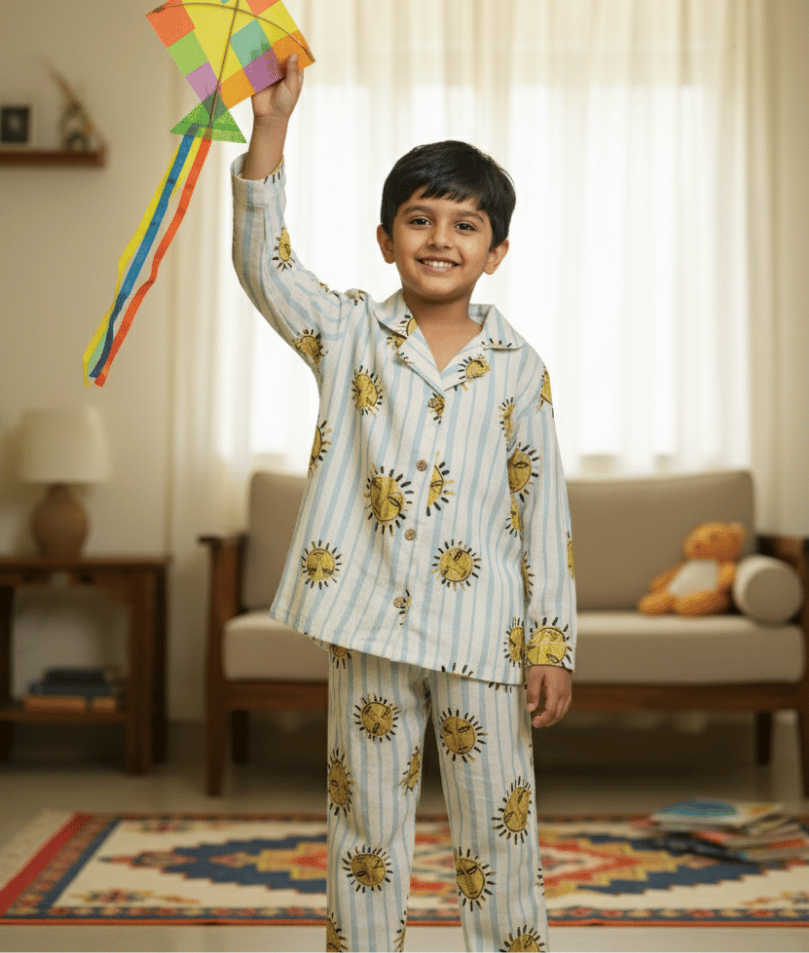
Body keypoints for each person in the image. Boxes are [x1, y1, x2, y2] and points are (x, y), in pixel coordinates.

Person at [232, 53, 577, 953]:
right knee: (367, 835)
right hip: (370, 626)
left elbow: (543, 510)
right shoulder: (348, 332)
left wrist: (552, 643)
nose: (440, 237)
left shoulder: (520, 367)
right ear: (386, 237)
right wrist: (271, 127)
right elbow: (266, 268)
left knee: (497, 837)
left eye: (465, 223)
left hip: (485, 638)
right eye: (419, 218)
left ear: (495, 251)